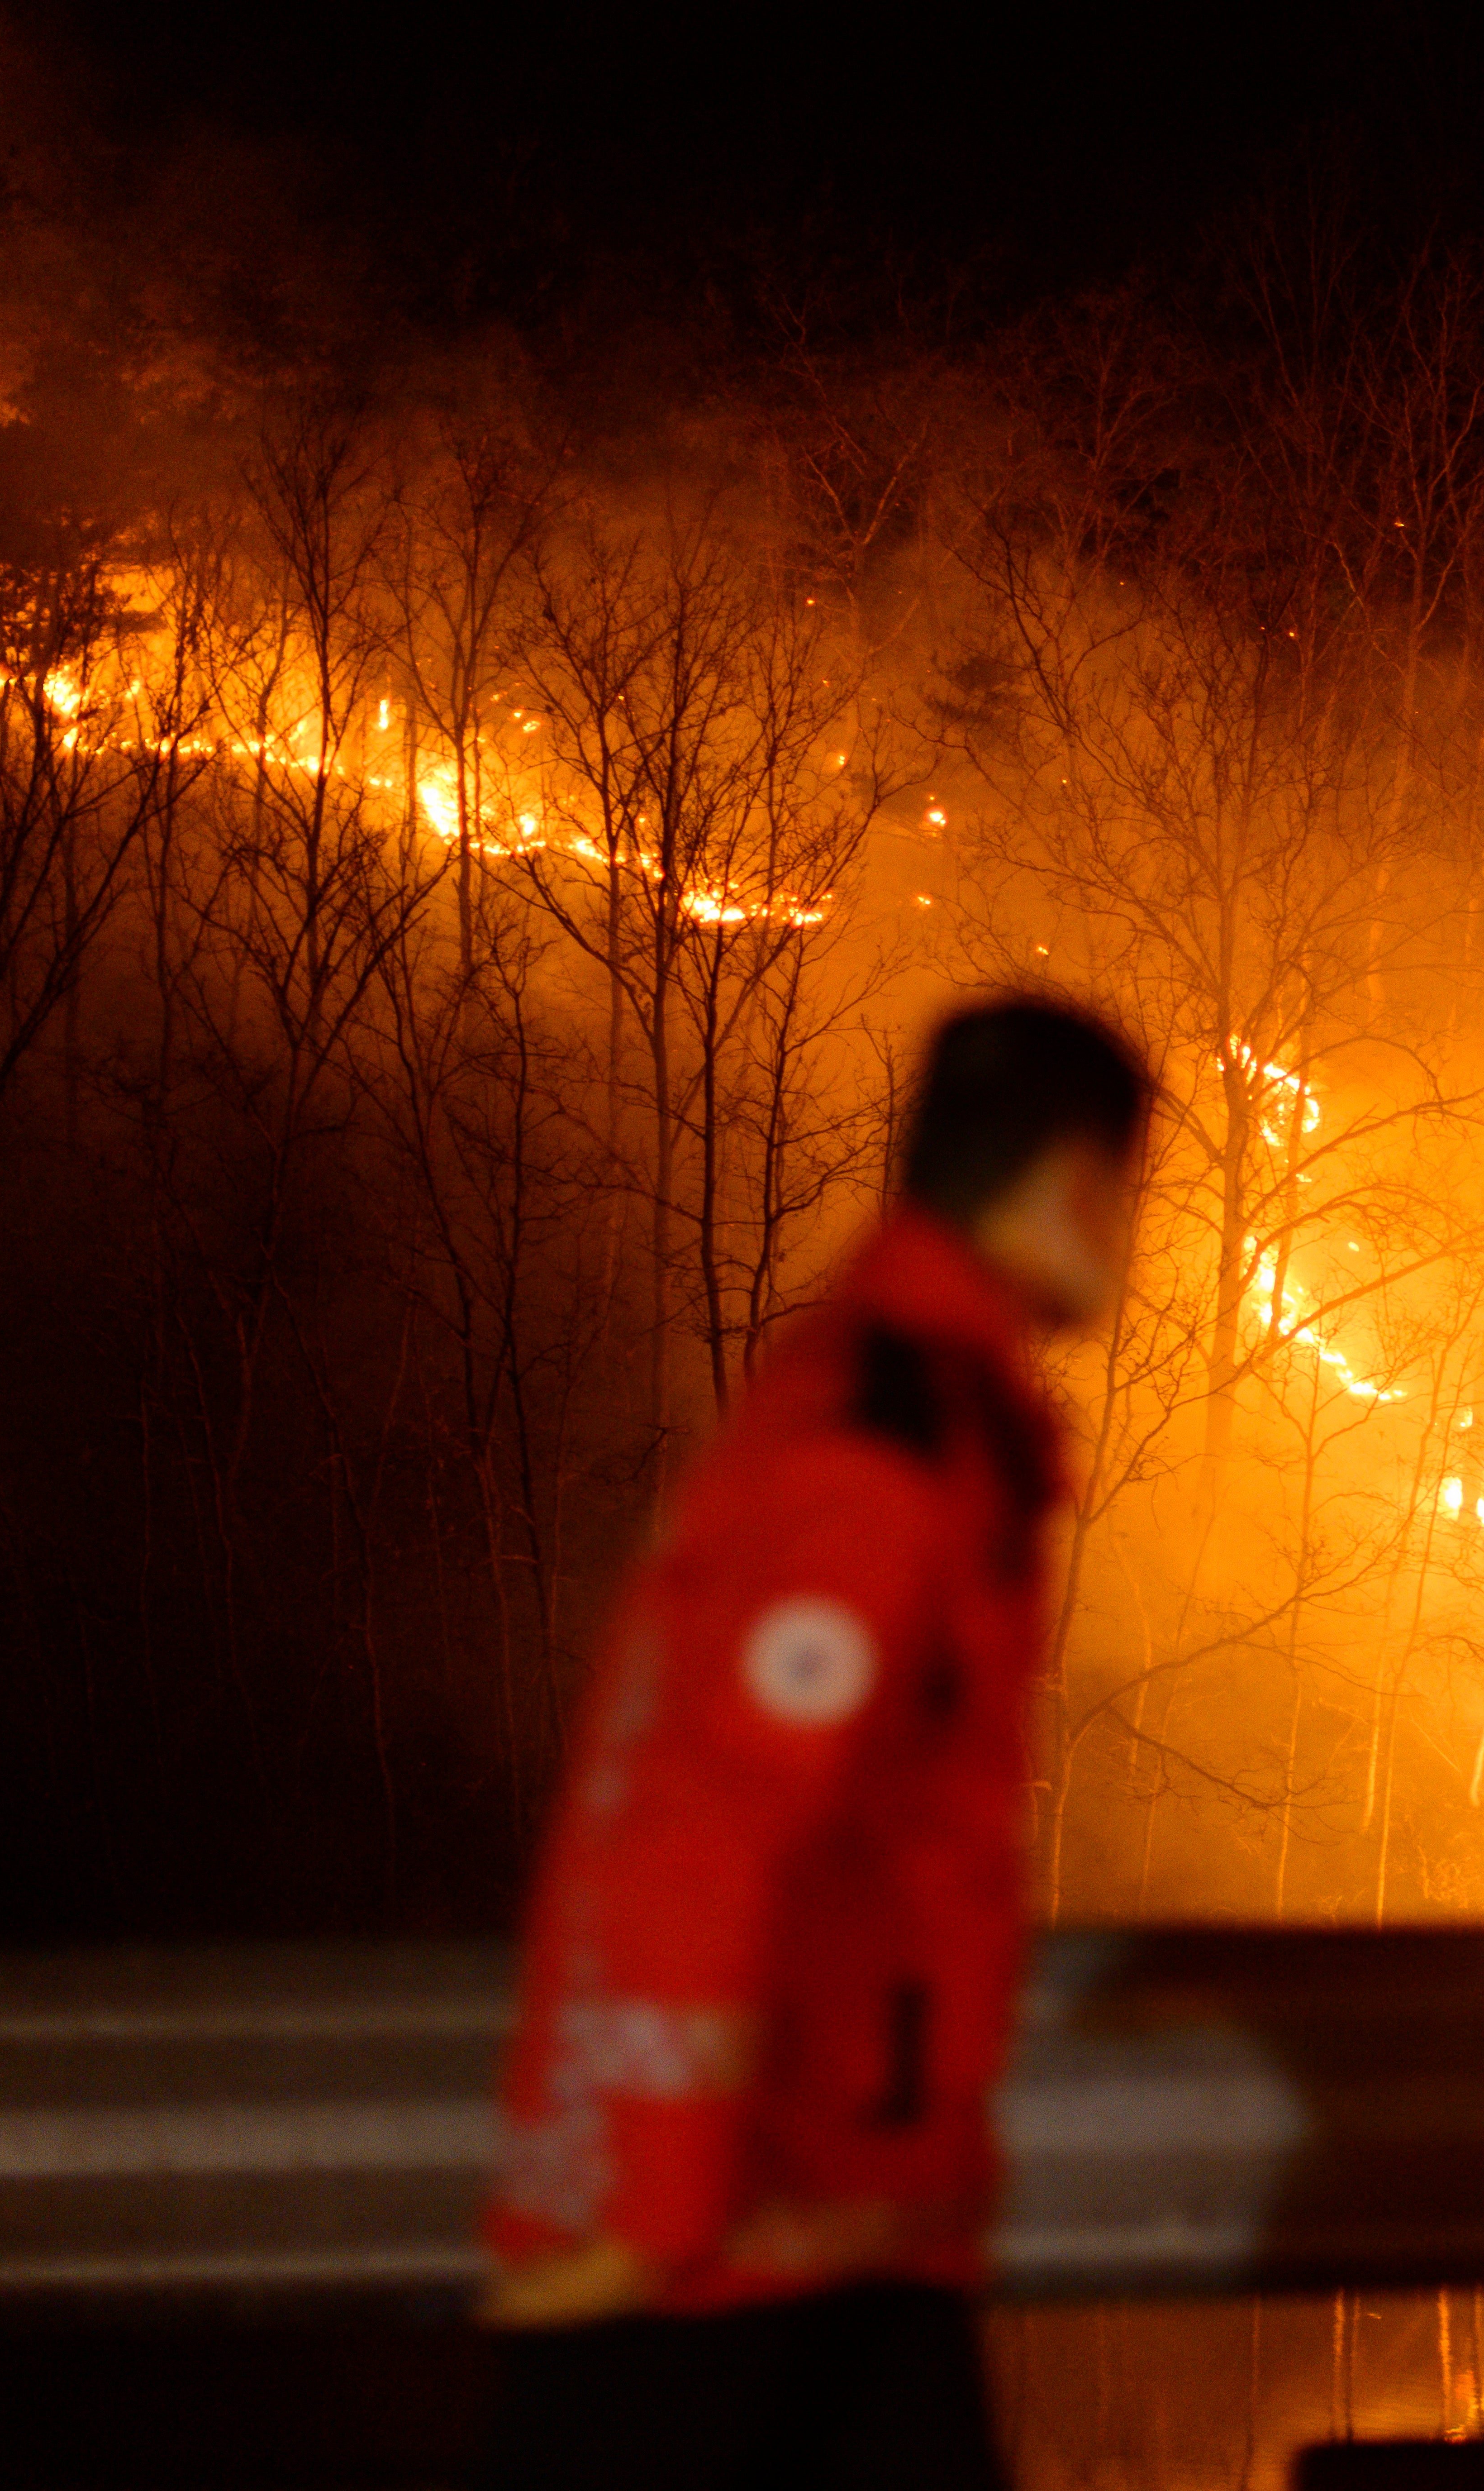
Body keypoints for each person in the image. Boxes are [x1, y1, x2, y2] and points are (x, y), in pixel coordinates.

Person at [480, 996, 1150, 2491]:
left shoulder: (942, 1419)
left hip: (853, 2204)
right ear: (1056, 1183)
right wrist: (648, 2209)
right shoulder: (879, 1455)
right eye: (1122, 1195)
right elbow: (705, 1820)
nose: (1126, 1243)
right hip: (736, 2228)